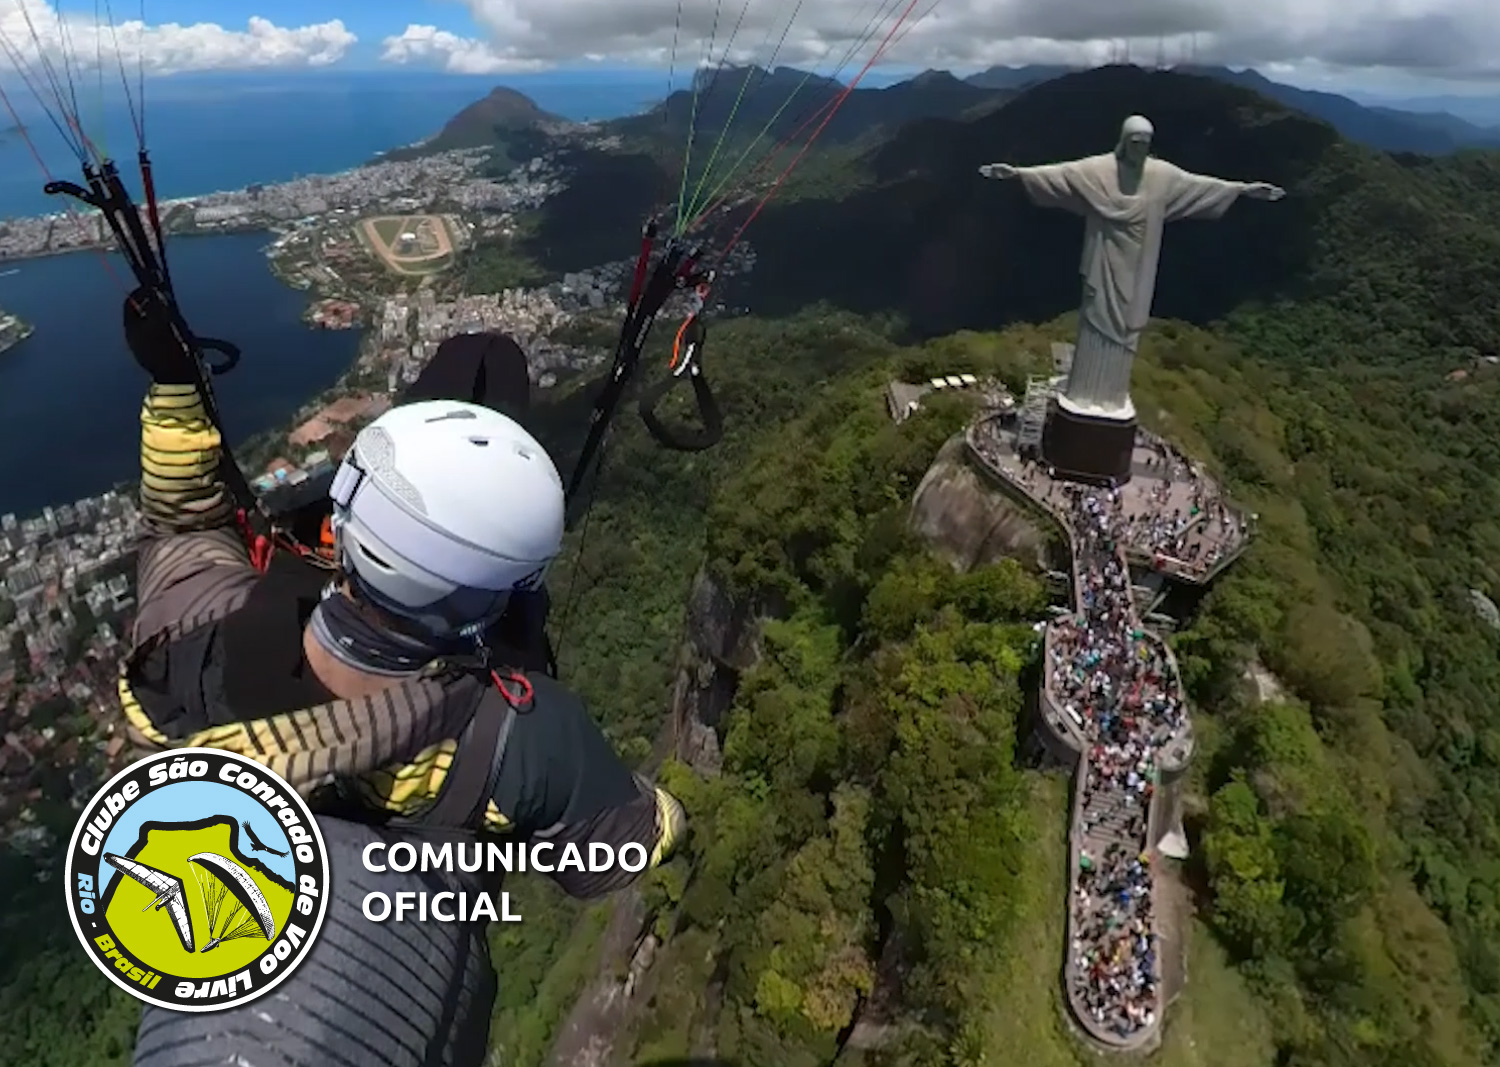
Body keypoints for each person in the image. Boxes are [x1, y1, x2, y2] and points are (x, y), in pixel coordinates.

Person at [115, 285, 685, 891]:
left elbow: (184, 520)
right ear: (509, 591)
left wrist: (175, 383)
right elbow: (635, 844)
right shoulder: (526, 742)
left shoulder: (189, 641)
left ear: (340, 527)